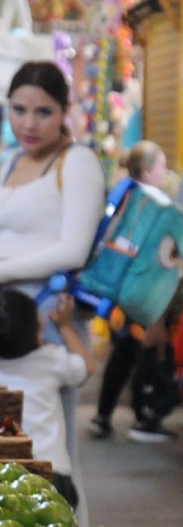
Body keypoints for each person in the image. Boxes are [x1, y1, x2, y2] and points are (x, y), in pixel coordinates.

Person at [0, 61, 106, 527]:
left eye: (43, 111)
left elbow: (72, 249)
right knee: (6, 446)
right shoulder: (12, 160)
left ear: (64, 112)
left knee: (54, 455)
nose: (28, 123)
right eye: (19, 109)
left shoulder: (77, 162)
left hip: (48, 324)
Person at [0, 290, 95, 511]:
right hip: (52, 472)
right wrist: (65, 326)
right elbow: (87, 367)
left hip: (5, 470)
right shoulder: (50, 359)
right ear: (38, 336)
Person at [92, 140, 173, 441]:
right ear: (147, 170)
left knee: (123, 353)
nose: (165, 173)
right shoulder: (155, 205)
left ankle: (104, 413)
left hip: (117, 294)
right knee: (143, 352)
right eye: (162, 166)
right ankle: (144, 417)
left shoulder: (123, 194)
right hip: (142, 292)